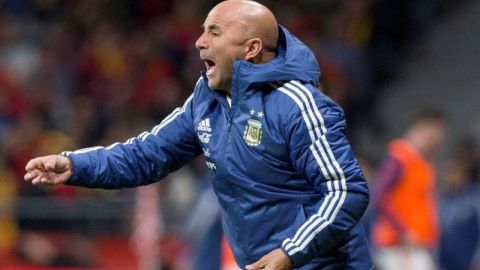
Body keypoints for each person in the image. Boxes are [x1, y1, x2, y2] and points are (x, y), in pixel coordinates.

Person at [23, 0, 372, 269]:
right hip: (262, 263)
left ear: (251, 49)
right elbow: (147, 154)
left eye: (215, 32)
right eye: (204, 30)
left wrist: (290, 252)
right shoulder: (207, 99)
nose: (199, 41)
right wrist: (74, 164)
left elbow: (346, 191)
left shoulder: (298, 105)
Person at [372, 109, 447, 270]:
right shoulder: (399, 157)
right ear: (425, 129)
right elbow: (379, 196)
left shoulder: (422, 161)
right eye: (438, 132)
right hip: (399, 246)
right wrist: (403, 232)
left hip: (417, 245)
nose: (440, 139)